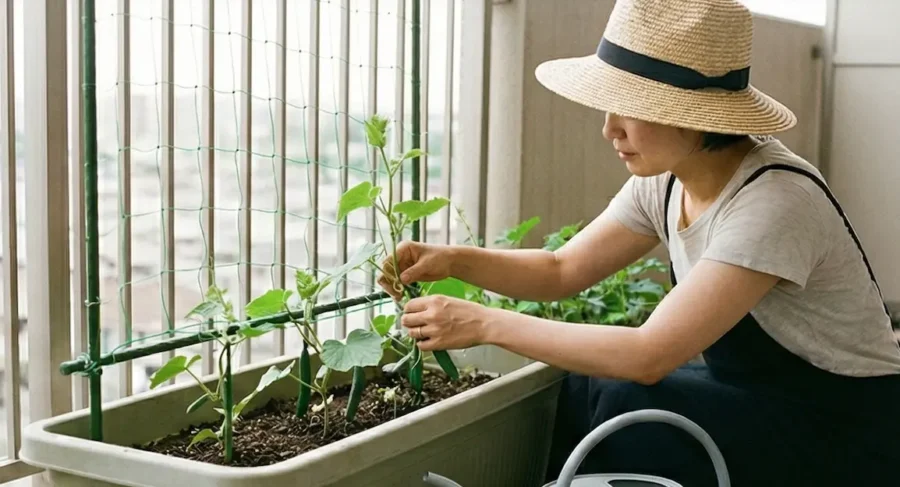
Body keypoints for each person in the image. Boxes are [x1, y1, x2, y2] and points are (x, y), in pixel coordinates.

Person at [378, 0, 900, 485]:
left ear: (692, 113)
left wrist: (484, 322)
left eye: (632, 108)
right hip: (761, 400)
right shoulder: (669, 177)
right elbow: (561, 269)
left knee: (626, 394)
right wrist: (451, 259)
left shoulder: (775, 201)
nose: (609, 129)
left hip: (844, 432)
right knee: (590, 384)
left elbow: (649, 355)